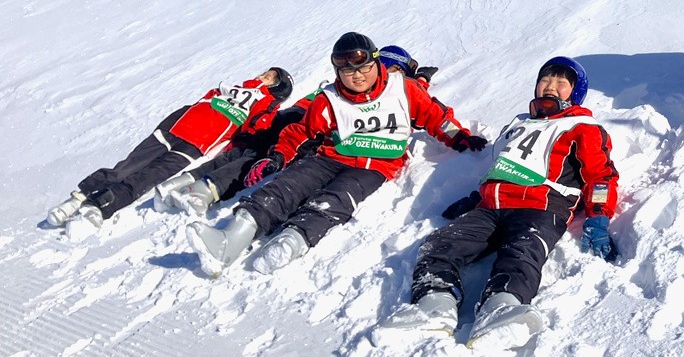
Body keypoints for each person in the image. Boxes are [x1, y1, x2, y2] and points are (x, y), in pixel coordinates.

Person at [187, 33, 486, 277]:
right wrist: (278, 156)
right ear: (337, 72)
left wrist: (460, 136)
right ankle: (230, 240)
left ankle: (292, 241)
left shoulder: (403, 89)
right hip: (330, 157)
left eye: (363, 68)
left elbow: (436, 117)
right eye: (347, 71)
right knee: (286, 186)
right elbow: (299, 132)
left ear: (376, 64)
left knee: (337, 199)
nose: (357, 76)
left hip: (376, 166)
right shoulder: (330, 98)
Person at [382, 57, 621, 350]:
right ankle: (434, 305)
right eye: (545, 80)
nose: (551, 87)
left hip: (541, 208)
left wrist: (598, 216)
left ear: (574, 93)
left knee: (522, 253)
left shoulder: (583, 126)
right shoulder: (519, 124)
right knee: (439, 245)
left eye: (561, 83)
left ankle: (501, 307)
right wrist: (474, 199)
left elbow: (601, 176)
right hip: (491, 208)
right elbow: (501, 168)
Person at [46, 68, 293, 238]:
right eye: (266, 72)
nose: (264, 76)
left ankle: (100, 206)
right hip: (175, 128)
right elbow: (202, 101)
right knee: (128, 165)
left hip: (196, 145)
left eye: (271, 77)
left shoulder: (265, 105)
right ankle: (79, 198)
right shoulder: (235, 88)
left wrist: (269, 108)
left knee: (149, 177)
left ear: (278, 89)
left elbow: (255, 129)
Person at [155, 70, 310, 216]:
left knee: (236, 159)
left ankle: (182, 183)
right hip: (281, 129)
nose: (260, 77)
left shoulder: (315, 96)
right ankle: (201, 191)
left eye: (267, 77)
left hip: (273, 128)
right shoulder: (271, 102)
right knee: (249, 161)